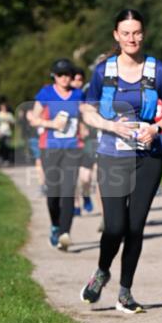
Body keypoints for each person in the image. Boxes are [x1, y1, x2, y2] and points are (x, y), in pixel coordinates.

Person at [79, 9, 162, 314]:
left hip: (148, 158)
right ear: (116, 35)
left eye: (137, 32)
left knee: (135, 227)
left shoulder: (157, 70)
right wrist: (110, 126)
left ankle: (125, 293)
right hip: (112, 155)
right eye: (126, 33)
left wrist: (156, 128)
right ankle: (101, 272)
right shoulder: (103, 71)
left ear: (143, 34)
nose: (132, 38)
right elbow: (87, 110)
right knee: (114, 226)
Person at [28, 60, 84, 250]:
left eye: (68, 74)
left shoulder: (78, 94)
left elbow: (86, 115)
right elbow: (33, 119)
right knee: (53, 193)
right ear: (54, 76)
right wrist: (52, 124)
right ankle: (55, 225)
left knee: (68, 191)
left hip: (72, 148)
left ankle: (65, 233)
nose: (65, 78)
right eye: (61, 74)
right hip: (49, 148)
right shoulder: (46, 93)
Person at [70, 68, 95, 215]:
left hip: (87, 140)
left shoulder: (86, 96)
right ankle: (75, 204)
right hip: (71, 141)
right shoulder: (64, 97)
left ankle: (86, 195)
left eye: (80, 80)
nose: (77, 83)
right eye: (75, 79)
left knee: (86, 177)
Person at [0, 97, 15, 165]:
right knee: (1, 145)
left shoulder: (9, 115)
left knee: (7, 146)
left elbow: (13, 123)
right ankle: (1, 157)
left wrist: (9, 122)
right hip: (1, 131)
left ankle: (7, 158)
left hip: (7, 132)